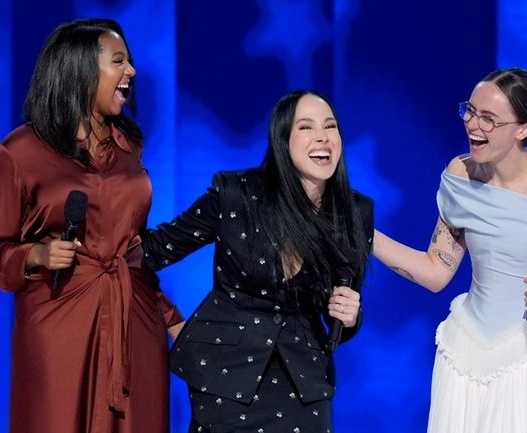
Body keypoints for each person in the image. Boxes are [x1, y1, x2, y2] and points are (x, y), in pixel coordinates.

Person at [0, 18, 183, 433]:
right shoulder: (19, 152)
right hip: (59, 325)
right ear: (80, 71)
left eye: (130, 62)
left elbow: (134, 251)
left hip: (133, 326)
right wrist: (36, 254)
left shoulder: (129, 149)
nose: (132, 72)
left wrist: (172, 320)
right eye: (119, 61)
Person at [373, 67, 527, 432]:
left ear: (523, 129)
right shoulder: (461, 174)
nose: (473, 125)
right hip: (466, 353)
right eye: (469, 111)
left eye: (489, 119)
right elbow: (436, 271)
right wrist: (363, 234)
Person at [142, 90, 373, 432]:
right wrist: (168, 316)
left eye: (331, 126)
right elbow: (151, 252)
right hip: (225, 377)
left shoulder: (354, 212)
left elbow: (339, 312)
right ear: (282, 139)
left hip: (304, 384)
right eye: (306, 127)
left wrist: (351, 315)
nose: (322, 136)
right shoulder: (236, 193)